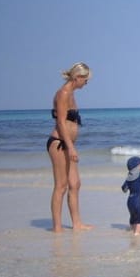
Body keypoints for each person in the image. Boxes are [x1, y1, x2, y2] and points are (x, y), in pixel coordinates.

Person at [47, 62, 93, 232]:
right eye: (85, 80)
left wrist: (72, 145)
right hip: (59, 144)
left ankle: (77, 224)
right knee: (61, 185)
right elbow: (60, 123)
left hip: (68, 144)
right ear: (77, 77)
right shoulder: (63, 94)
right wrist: (70, 147)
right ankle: (57, 227)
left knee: (75, 183)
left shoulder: (72, 94)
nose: (86, 83)